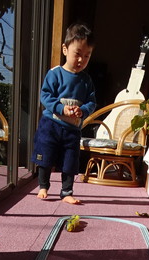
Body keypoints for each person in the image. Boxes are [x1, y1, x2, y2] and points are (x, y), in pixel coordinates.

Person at [32, 22, 96, 204]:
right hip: (50, 125)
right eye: (78, 54)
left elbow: (92, 102)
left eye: (87, 56)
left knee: (70, 160)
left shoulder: (86, 80)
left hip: (72, 129)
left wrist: (82, 110)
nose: (81, 60)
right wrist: (61, 108)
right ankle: (43, 186)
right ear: (65, 49)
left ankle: (66, 192)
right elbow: (45, 96)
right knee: (45, 155)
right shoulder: (55, 74)